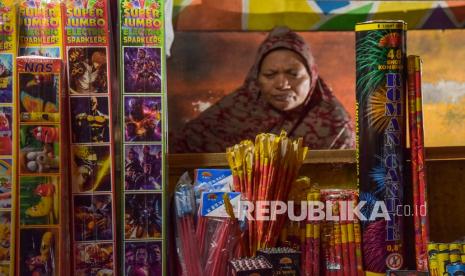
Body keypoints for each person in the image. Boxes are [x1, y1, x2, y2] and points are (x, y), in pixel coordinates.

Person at [172, 27, 355, 153]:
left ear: (312, 77)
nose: (282, 84)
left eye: (293, 74)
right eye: (270, 74)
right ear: (256, 79)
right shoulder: (233, 112)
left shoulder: (336, 125)